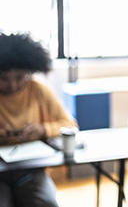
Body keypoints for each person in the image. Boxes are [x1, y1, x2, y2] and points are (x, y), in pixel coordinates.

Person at [0, 32, 78, 207]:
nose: (13, 85)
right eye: (4, 79)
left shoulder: (38, 90)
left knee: (45, 203)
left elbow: (69, 125)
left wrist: (43, 129)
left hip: (31, 170)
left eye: (20, 77)